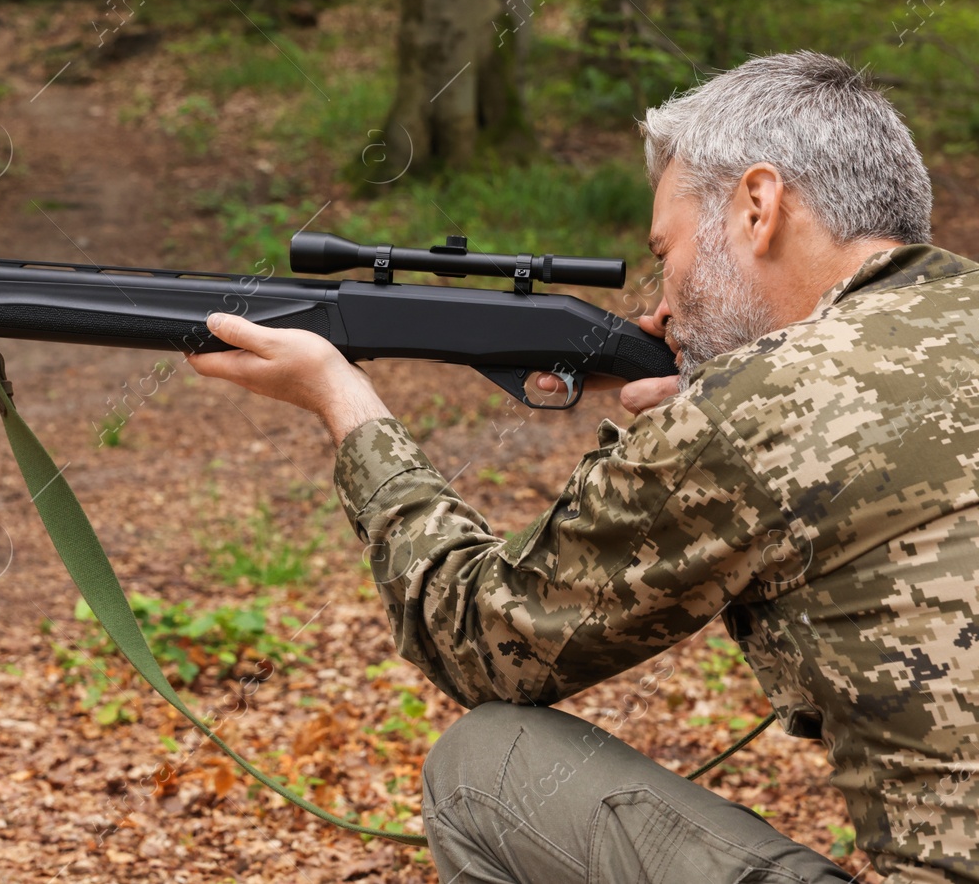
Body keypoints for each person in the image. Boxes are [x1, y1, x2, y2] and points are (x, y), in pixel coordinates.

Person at [189, 51, 979, 884]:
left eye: (666, 249)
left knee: (486, 768)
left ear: (759, 206)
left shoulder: (758, 406)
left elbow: (479, 638)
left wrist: (345, 405)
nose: (663, 303)